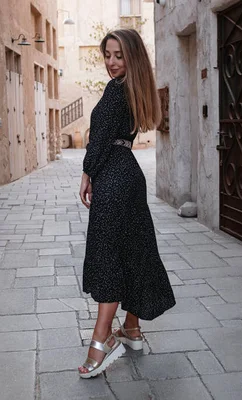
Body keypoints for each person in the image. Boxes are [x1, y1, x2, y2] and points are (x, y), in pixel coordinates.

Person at [77, 29, 176, 379]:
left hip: (113, 178)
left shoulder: (115, 91)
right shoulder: (134, 90)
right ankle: (131, 330)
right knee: (133, 250)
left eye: (118, 55)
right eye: (107, 55)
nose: (111, 62)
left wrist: (88, 173)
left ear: (131, 57)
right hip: (130, 174)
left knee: (108, 256)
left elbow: (100, 140)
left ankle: (100, 343)